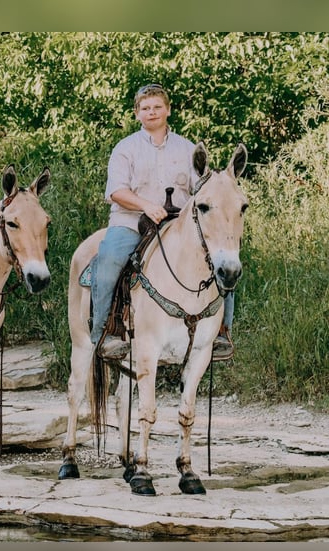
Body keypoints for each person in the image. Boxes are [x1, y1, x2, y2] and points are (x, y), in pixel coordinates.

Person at [91, 83, 234, 361]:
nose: (151, 112)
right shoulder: (125, 148)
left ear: (168, 110)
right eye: (145, 108)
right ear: (137, 114)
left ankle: (220, 332)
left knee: (225, 261)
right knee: (109, 259)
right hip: (132, 221)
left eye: (157, 107)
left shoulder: (188, 148)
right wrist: (146, 205)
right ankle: (105, 332)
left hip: (177, 224)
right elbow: (116, 191)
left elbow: (202, 187)